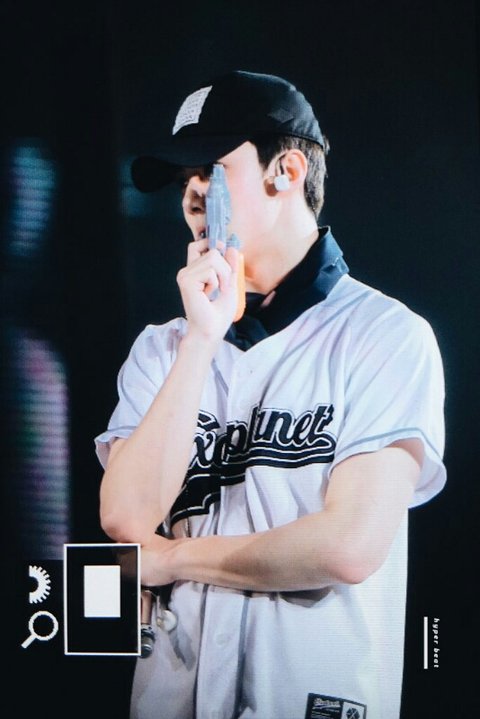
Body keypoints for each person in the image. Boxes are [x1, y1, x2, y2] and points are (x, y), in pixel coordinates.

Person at [95, 70, 446, 719]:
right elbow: (124, 520)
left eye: (211, 169)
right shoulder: (163, 348)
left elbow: (347, 544)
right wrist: (202, 340)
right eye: (182, 179)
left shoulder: (385, 334)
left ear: (286, 171)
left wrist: (175, 558)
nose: (193, 194)